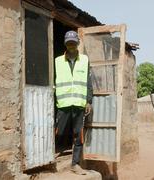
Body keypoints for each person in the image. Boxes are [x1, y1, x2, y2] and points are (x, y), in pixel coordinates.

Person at [54, 30, 93, 175]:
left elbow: (89, 82)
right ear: (66, 44)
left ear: (77, 43)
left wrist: (88, 101)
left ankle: (75, 164)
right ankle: (49, 157)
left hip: (79, 103)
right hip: (63, 104)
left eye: (73, 43)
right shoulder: (57, 61)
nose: (71, 45)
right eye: (69, 43)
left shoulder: (84, 60)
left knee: (78, 134)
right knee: (59, 131)